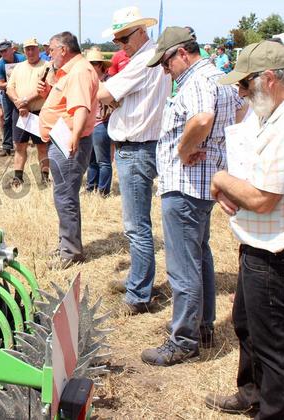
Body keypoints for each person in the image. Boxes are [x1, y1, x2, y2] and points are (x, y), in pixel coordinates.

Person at [206, 41, 284, 419]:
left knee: (277, 347)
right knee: (249, 325)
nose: (241, 93)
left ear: (269, 79)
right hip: (263, 245)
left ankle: (275, 411)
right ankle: (252, 393)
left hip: (278, 253)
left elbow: (263, 198)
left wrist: (220, 179)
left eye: (245, 85)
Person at [139, 27, 242, 366]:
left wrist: (185, 149)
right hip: (200, 185)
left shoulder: (197, 80)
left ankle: (183, 340)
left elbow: (202, 117)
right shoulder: (219, 77)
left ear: (182, 53)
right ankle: (203, 327)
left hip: (185, 185)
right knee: (200, 258)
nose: (165, 70)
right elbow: (237, 115)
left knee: (184, 268)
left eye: (166, 62)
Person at [96, 6, 172, 314]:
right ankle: (138, 279)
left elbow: (104, 93)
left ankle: (138, 294)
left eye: (124, 38)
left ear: (141, 32)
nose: (120, 45)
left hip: (137, 147)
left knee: (136, 225)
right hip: (140, 145)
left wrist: (109, 95)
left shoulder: (143, 60)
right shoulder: (147, 58)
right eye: (117, 41)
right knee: (137, 223)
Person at [38, 31, 99, 269]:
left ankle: (70, 252)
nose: (49, 54)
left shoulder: (79, 71)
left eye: (51, 50)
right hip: (63, 139)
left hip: (69, 142)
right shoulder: (71, 71)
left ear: (63, 50)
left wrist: (73, 138)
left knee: (65, 197)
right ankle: (66, 243)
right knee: (63, 196)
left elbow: (81, 108)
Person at [6, 38, 49, 187]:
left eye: (33, 49)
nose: (30, 52)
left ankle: (44, 178)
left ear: (38, 49)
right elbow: (9, 88)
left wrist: (24, 102)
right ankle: (18, 178)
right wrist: (19, 103)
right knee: (19, 146)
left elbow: (43, 91)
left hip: (38, 112)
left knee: (42, 147)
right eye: (27, 49)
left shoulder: (46, 66)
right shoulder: (18, 68)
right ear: (24, 51)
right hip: (20, 112)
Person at [84, 48, 114, 196]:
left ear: (101, 65)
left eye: (95, 63)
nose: (92, 66)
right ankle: (91, 188)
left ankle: (103, 191)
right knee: (92, 160)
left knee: (103, 160)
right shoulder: (88, 81)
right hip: (90, 123)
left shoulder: (108, 81)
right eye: (90, 63)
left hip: (103, 122)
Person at [0, 40, 26, 157]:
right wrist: (12, 84)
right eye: (1, 52)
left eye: (5, 51)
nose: (3, 54)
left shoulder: (22, 59)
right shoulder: (0, 64)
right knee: (7, 118)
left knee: (26, 115)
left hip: (23, 93)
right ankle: (7, 146)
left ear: (11, 50)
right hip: (8, 95)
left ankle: (26, 141)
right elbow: (0, 84)